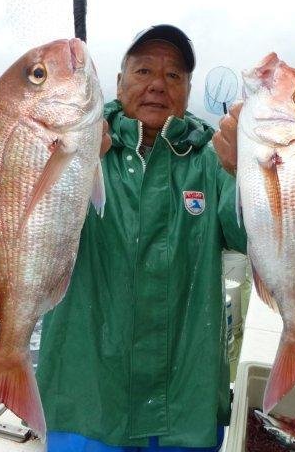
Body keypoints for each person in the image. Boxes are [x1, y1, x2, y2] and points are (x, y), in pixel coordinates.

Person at [36, 24, 246, 452]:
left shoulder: (211, 160)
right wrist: (66, 164)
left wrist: (249, 177)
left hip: (184, 410)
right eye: (143, 70)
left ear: (188, 89)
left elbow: (250, 241)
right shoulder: (74, 147)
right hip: (86, 403)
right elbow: (28, 228)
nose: (157, 85)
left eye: (173, 76)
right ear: (117, 82)